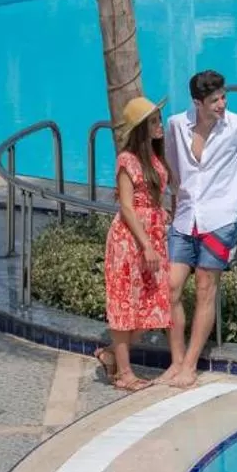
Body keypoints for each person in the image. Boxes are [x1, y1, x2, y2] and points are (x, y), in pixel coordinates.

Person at [161, 69, 237, 388]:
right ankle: (176, 361)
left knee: (206, 286)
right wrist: (170, 205)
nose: (221, 104)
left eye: (223, 97)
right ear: (197, 102)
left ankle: (190, 365)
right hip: (185, 218)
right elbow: (172, 170)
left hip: (221, 219)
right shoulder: (177, 125)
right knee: (170, 288)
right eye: (214, 100)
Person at [95, 95, 178, 392]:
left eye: (158, 120)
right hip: (131, 240)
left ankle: (109, 356)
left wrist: (160, 212)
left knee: (154, 303)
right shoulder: (127, 160)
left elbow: (149, 196)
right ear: (141, 128)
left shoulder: (155, 157)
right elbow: (128, 207)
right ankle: (124, 374)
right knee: (126, 304)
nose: (159, 126)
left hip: (152, 234)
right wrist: (146, 243)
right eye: (153, 122)